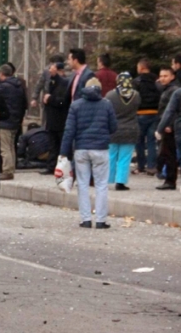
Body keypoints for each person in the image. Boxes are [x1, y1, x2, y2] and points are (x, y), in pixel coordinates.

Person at [60, 77, 117, 229]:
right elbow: (113, 127)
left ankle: (85, 219)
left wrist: (63, 152)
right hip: (100, 149)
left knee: (83, 184)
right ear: (99, 89)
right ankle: (100, 220)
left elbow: (69, 130)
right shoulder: (106, 104)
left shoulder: (76, 105)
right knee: (101, 185)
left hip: (81, 149)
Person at [106, 72, 141, 191]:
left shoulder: (110, 95)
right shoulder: (136, 95)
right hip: (130, 129)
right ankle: (120, 182)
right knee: (125, 158)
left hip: (113, 130)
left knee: (111, 156)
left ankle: (108, 179)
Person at [0, 64, 26, 181]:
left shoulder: (3, 87)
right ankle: (11, 168)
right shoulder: (19, 85)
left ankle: (7, 170)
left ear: (1, 74)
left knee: (5, 147)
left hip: (6, 120)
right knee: (11, 146)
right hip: (16, 120)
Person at [41, 60, 71, 174]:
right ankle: (51, 166)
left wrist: (50, 99)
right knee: (52, 144)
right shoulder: (52, 83)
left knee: (60, 144)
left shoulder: (65, 84)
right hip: (52, 119)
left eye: (53, 70)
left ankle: (62, 166)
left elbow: (63, 102)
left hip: (60, 120)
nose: (50, 72)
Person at [133, 59, 160, 175]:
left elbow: (134, 98)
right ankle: (151, 166)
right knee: (151, 141)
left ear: (142, 68)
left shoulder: (136, 81)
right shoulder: (157, 80)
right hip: (155, 113)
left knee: (139, 140)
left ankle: (140, 165)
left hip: (141, 113)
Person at [155, 67, 178, 189]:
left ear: (172, 77)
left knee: (168, 154)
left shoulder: (173, 91)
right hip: (165, 125)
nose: (162, 78)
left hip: (170, 127)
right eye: (161, 76)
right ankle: (168, 179)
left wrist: (169, 124)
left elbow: (173, 110)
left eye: (165, 76)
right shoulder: (166, 90)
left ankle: (170, 180)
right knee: (166, 153)